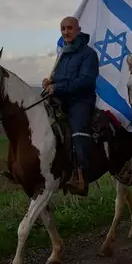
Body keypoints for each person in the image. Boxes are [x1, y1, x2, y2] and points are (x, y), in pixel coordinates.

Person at [43, 16, 99, 196]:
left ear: (78, 30)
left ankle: (81, 176)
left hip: (80, 100)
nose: (66, 32)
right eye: (62, 29)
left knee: (77, 129)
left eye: (69, 28)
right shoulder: (63, 53)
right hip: (60, 98)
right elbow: (59, 78)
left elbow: (86, 81)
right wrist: (49, 83)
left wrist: (58, 87)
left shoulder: (89, 54)